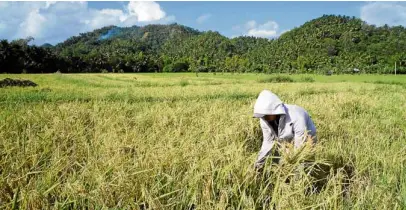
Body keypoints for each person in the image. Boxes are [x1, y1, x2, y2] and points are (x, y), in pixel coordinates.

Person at [253, 89, 317, 170]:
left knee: (302, 164)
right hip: (284, 138)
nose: (265, 117)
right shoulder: (264, 119)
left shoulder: (296, 116)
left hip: (306, 137)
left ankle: (303, 180)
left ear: (275, 111)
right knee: (278, 161)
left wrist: (291, 160)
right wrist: (259, 164)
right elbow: (268, 142)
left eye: (267, 115)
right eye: (263, 115)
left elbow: (300, 144)